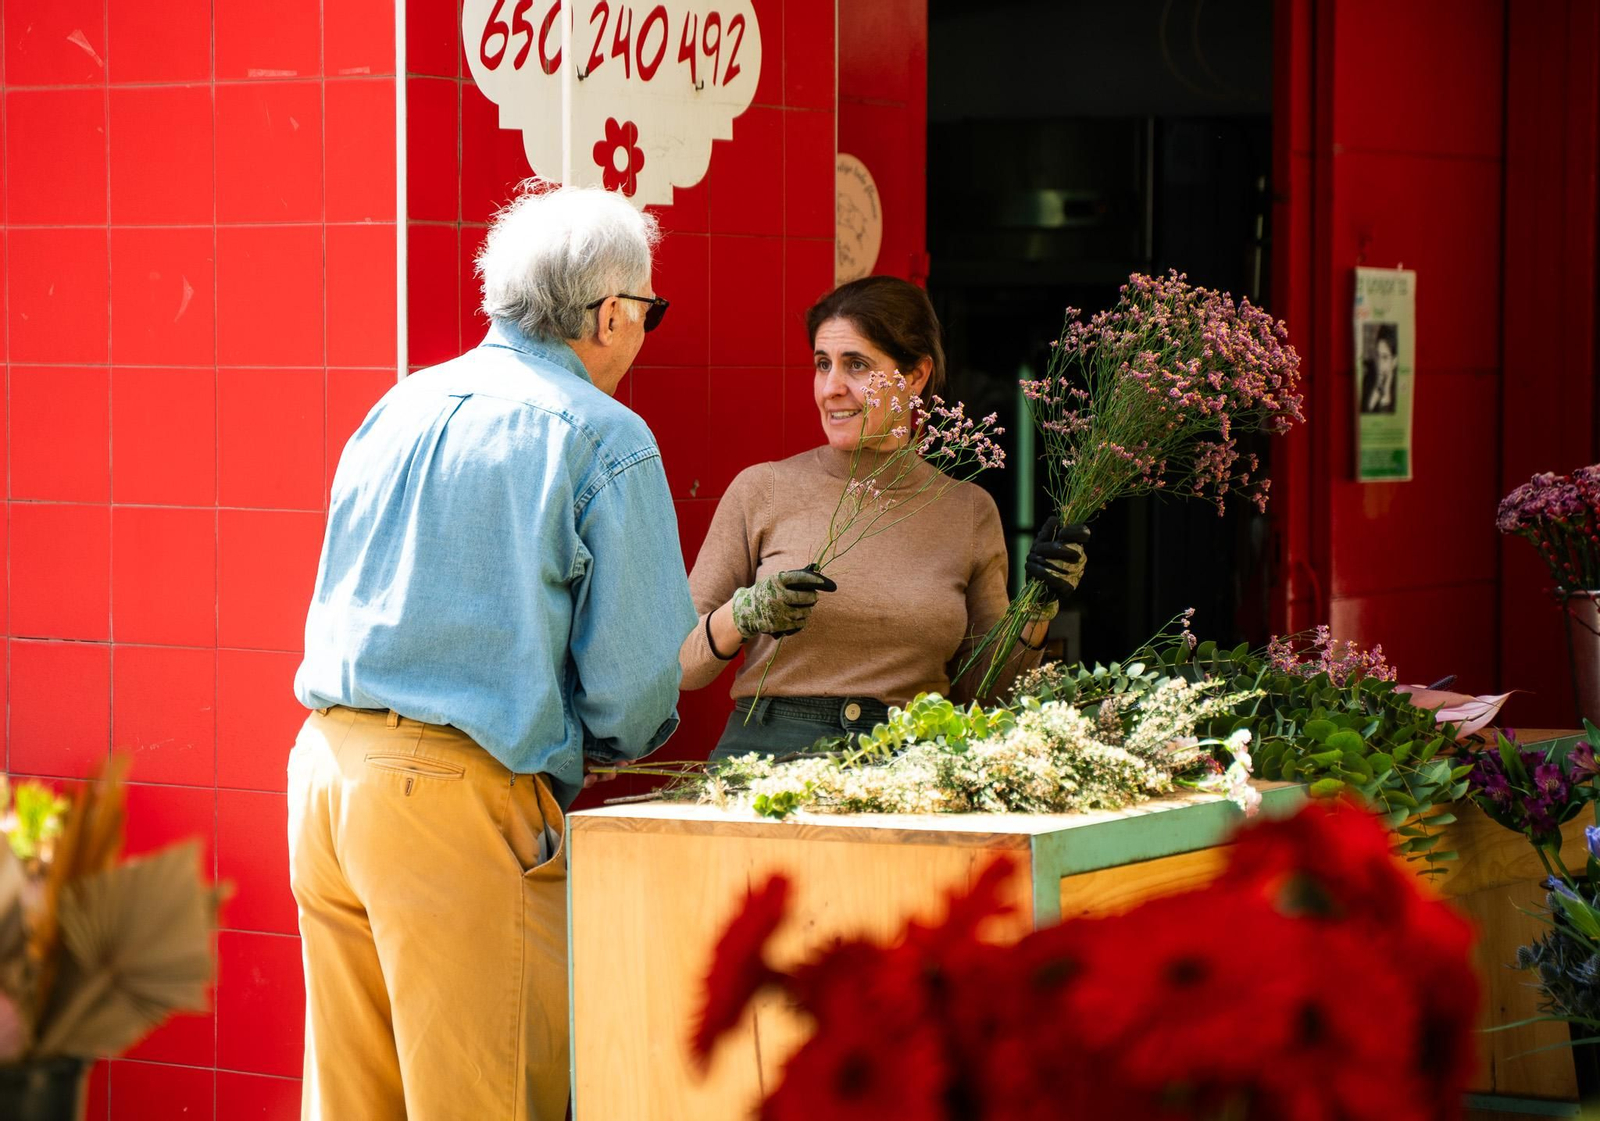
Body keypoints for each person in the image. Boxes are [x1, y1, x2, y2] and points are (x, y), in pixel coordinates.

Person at [288, 184, 695, 1121]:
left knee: (354, 1101)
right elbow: (635, 691)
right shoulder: (605, 435)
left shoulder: (399, 404)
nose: (642, 335)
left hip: (325, 772)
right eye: (648, 313)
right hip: (456, 797)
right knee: (485, 1096)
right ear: (609, 313)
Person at [679, 276, 1089, 759]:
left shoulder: (968, 510)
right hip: (766, 762)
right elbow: (683, 666)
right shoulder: (761, 490)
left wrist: (1037, 607)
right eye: (822, 364)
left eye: (856, 365)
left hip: (911, 769)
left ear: (915, 375)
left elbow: (989, 691)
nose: (832, 388)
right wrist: (744, 613)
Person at [1360, 323, 1400, 413]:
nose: (1379, 364)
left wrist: (1387, 388)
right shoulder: (1367, 379)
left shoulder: (1398, 390)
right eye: (1377, 355)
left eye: (1385, 357)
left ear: (1394, 361)